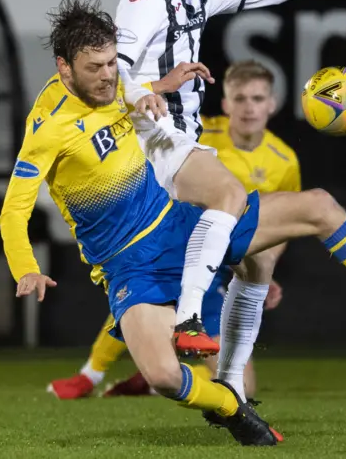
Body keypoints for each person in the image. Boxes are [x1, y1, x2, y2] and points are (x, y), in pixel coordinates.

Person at [0, 0, 346, 446]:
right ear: (64, 69)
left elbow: (122, 92)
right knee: (165, 378)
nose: (109, 76)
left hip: (181, 226)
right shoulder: (46, 130)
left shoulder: (110, 84)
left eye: (112, 63)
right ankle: (229, 406)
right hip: (130, 265)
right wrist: (24, 266)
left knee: (320, 205)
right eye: (97, 68)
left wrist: (156, 87)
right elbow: (13, 210)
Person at [116, 0, 346, 356]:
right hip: (151, 146)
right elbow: (114, 72)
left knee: (255, 263)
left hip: (176, 144)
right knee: (229, 197)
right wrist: (150, 90)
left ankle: (225, 382)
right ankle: (185, 320)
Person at [47, 61, 295, 400]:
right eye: (240, 98)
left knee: (245, 390)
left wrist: (264, 270)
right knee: (135, 298)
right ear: (225, 103)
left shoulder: (285, 159)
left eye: (257, 98)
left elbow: (274, 226)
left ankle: (157, 379)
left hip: (220, 271)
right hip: (173, 240)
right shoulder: (198, 132)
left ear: (272, 104)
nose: (248, 107)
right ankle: (90, 375)